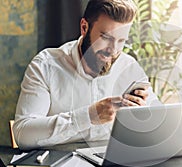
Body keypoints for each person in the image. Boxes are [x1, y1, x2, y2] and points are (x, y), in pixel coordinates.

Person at [13, 0, 159, 150]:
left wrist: (143, 115)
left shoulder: (129, 68)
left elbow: (157, 126)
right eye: (106, 38)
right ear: (84, 27)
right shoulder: (46, 66)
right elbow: (23, 135)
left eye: (121, 41)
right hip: (57, 166)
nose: (113, 50)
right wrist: (88, 116)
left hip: (114, 165)